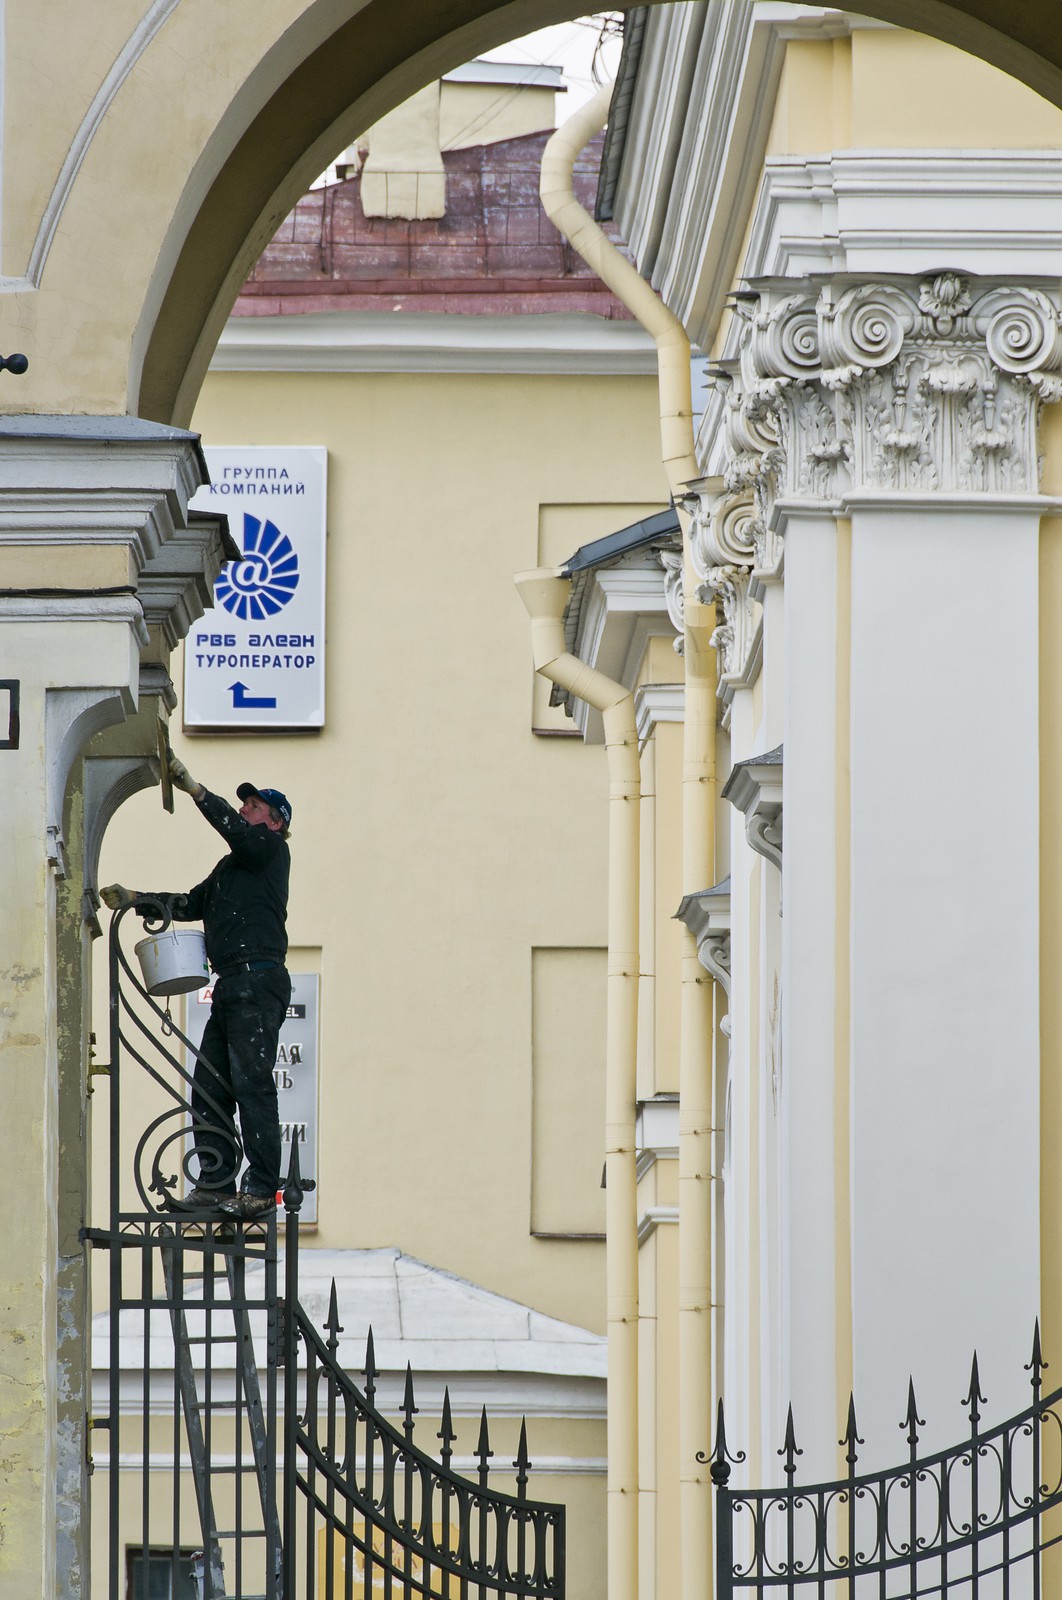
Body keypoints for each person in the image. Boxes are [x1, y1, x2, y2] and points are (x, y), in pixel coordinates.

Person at [102, 755, 292, 1220]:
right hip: (232, 986)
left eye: (254, 805)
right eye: (244, 803)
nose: (246, 808)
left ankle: (264, 1187)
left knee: (251, 1084)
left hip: (258, 977)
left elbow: (238, 833)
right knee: (208, 1088)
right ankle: (213, 1184)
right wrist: (138, 900)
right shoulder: (232, 869)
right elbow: (190, 903)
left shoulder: (269, 850)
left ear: (275, 821)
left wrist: (199, 793)